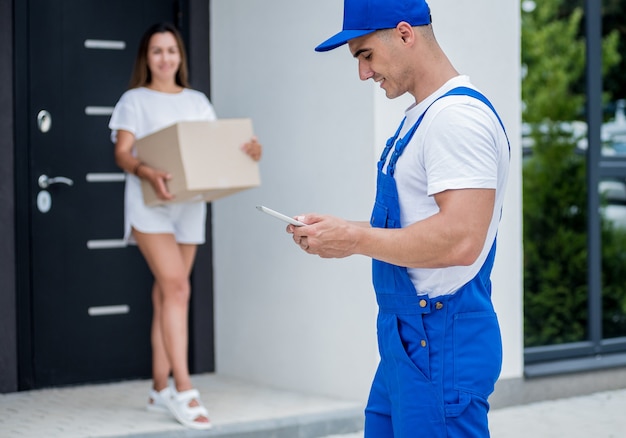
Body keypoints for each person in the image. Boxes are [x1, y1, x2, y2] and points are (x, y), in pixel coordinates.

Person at [287, 0, 510, 437]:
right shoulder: (424, 117)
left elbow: (460, 239)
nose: (363, 73)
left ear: (405, 34)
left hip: (441, 338)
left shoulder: (456, 120)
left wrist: (353, 239)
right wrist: (337, 233)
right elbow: (416, 226)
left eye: (365, 54)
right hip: (407, 339)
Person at [108, 22, 262, 430]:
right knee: (179, 288)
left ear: (180, 56)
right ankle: (183, 388)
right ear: (147, 57)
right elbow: (122, 153)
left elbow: (213, 146)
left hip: (190, 205)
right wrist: (146, 169)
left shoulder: (196, 101)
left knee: (167, 294)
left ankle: (159, 388)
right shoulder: (134, 100)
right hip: (150, 204)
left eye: (171, 50)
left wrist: (248, 150)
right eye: (156, 51)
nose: (165, 58)